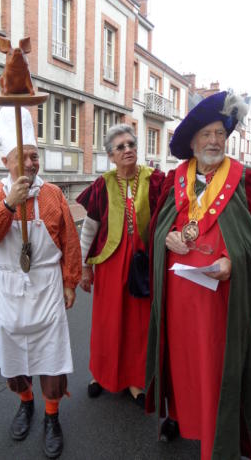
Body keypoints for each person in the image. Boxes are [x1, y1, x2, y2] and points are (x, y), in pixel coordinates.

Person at [145, 91, 251, 460]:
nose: (214, 141)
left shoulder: (247, 181)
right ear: (192, 141)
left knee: (215, 367)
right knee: (182, 363)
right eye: (206, 134)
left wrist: (234, 261)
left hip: (221, 300)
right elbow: (158, 230)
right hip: (179, 298)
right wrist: (168, 238)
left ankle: (216, 436)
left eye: (220, 133)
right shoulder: (175, 179)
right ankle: (180, 416)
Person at [0, 107, 81, 458]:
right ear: (7, 159)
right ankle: (25, 403)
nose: (32, 163)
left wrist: (70, 281)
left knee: (51, 357)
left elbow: (69, 242)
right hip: (10, 288)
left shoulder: (52, 195)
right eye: (25, 156)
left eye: (35, 155)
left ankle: (51, 417)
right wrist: (8, 204)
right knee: (14, 355)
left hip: (47, 285)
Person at [76, 124, 164, 406]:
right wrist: (84, 266)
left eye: (131, 145)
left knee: (138, 324)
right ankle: (100, 375)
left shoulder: (155, 179)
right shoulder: (103, 183)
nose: (128, 150)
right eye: (120, 147)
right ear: (111, 156)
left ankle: (135, 381)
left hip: (142, 264)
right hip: (110, 264)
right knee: (107, 323)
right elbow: (90, 229)